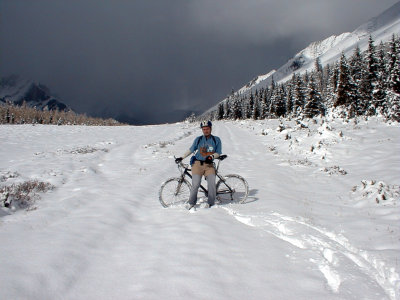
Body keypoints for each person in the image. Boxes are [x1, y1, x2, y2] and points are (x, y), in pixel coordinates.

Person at [175, 120, 222, 209]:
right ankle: (192, 203)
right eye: (204, 129)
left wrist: (211, 156)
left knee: (211, 183)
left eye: (207, 129)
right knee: (195, 183)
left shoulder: (216, 140)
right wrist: (181, 157)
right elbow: (191, 149)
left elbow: (218, 153)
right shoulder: (198, 139)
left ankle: (210, 202)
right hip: (197, 164)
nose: (205, 131)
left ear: (210, 128)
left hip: (209, 165)